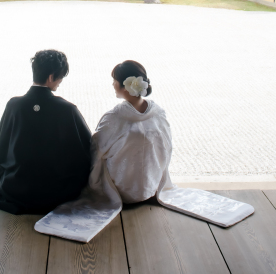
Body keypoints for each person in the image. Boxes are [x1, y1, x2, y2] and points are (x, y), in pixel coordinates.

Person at [34, 60, 254, 242]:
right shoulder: (158, 113)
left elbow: (95, 149)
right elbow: (166, 148)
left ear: (123, 86)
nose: (112, 84)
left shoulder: (115, 118)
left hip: (121, 190)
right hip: (150, 185)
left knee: (99, 156)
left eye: (114, 81)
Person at [0, 49, 92, 214]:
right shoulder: (67, 109)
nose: (61, 81)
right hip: (56, 193)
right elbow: (87, 148)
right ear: (51, 77)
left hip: (15, 189)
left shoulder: (14, 105)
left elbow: (1, 148)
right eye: (61, 77)